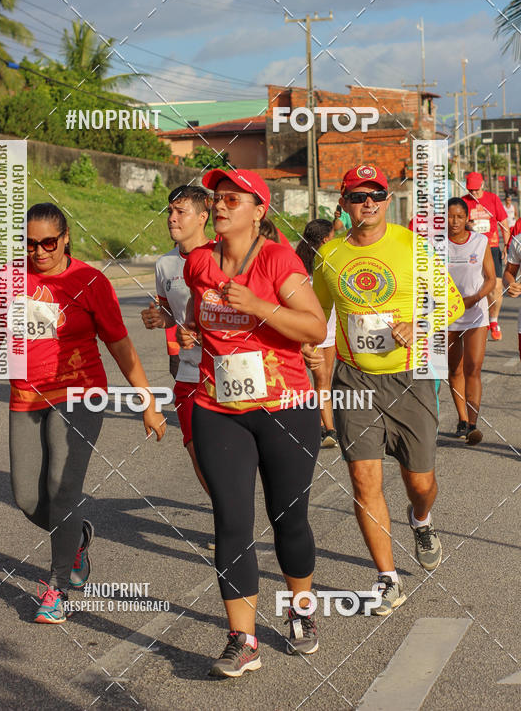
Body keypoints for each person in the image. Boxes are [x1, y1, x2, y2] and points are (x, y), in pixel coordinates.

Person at [0, 202, 166, 624]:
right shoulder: (10, 278)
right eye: (30, 244)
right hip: (26, 396)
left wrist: (147, 401)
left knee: (62, 489)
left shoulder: (89, 281)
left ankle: (57, 588)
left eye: (48, 242)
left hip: (80, 394)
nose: (39, 251)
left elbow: (120, 345)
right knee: (27, 497)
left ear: (65, 239)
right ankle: (75, 534)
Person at [179, 168, 326, 677]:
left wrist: (260, 306)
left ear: (259, 211)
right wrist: (185, 327)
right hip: (219, 409)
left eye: (232, 200)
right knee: (231, 520)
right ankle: (243, 640)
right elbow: (199, 313)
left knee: (289, 519)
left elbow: (314, 326)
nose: (220, 206)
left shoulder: (278, 259)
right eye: (217, 198)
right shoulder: (199, 262)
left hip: (286, 409)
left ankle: (301, 612)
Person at [313, 165, 465, 616]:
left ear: (386, 200)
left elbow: (453, 302)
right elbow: (315, 312)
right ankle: (387, 578)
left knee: (420, 482)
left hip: (410, 377)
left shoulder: (413, 247)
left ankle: (421, 520)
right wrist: (305, 346)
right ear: (343, 203)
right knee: (364, 480)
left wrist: (418, 324)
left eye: (376, 195)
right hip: (354, 379)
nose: (369, 203)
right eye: (359, 196)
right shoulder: (329, 254)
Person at [141, 185, 211, 495]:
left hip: (224, 373)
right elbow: (170, 312)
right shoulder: (164, 264)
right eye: (170, 211)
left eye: (181, 212)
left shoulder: (224, 256)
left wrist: (202, 332)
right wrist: (161, 319)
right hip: (187, 373)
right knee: (197, 453)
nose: (172, 218)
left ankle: (235, 516)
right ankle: (225, 514)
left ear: (202, 217)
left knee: (225, 455)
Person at [447, 198, 495, 445]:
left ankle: (473, 425)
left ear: (467, 218)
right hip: (448, 315)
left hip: (475, 313)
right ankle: (462, 420)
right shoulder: (434, 245)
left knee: (473, 367)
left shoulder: (480, 241)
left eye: (459, 216)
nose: (454, 221)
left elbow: (491, 279)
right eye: (450, 216)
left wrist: (474, 298)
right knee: (454, 369)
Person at [296, 220, 338, 448]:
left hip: (330, 329)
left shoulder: (331, 261)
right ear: (325, 240)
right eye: (333, 235)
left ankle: (322, 424)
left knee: (325, 380)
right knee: (321, 379)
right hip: (312, 332)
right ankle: (329, 429)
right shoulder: (300, 267)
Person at [462, 172, 509, 341]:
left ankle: (494, 321)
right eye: (470, 190)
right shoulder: (464, 201)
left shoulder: (493, 199)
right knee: (474, 287)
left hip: (492, 247)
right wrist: (467, 225)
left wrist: (507, 245)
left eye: (476, 189)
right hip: (472, 249)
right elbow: (455, 224)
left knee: (496, 286)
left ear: (482, 185)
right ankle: (475, 320)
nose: (473, 193)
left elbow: (504, 222)